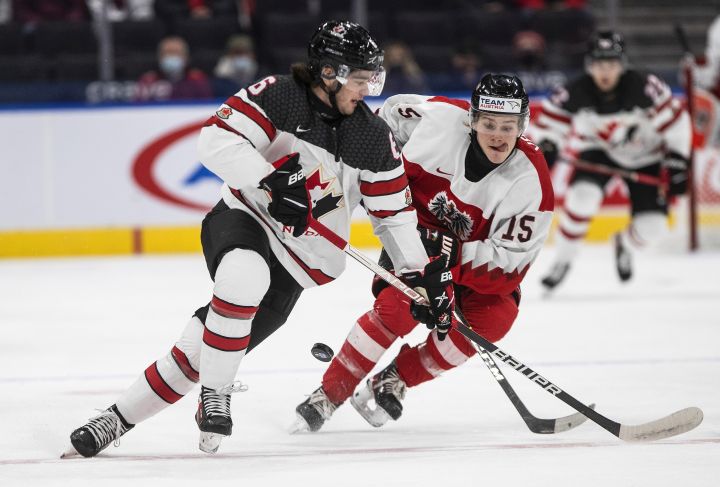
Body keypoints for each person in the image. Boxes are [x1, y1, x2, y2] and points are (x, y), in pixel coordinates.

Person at [63, 19, 454, 458]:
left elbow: (394, 216)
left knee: (195, 352)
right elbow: (216, 139)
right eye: (361, 79)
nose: (368, 90)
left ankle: (114, 420)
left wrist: (418, 278)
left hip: (301, 260)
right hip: (244, 217)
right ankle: (217, 392)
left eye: (371, 79)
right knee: (243, 278)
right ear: (329, 73)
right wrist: (269, 181)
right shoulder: (280, 94)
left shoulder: (372, 138)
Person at [293, 74, 554, 432]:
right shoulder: (435, 122)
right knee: (398, 310)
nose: (498, 135)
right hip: (412, 239)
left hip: (470, 263)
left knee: (494, 320)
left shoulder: (531, 180)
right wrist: (353, 197)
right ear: (472, 120)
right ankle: (330, 393)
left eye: (508, 126)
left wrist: (449, 260)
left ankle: (395, 377)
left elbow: (509, 265)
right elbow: (379, 126)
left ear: (521, 126)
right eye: (489, 123)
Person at [527, 31, 691, 291]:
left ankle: (624, 244)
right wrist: (548, 145)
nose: (605, 71)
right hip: (599, 151)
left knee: (654, 229)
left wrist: (678, 161)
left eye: (612, 64)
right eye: (599, 64)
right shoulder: (574, 91)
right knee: (581, 198)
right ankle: (562, 261)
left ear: (622, 64)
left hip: (647, 157)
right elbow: (548, 126)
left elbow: (677, 124)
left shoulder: (644, 87)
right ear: (589, 65)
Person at [136, 36, 213, 101]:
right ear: (159, 57)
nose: (171, 56)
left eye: (176, 52)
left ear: (186, 57)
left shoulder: (197, 79)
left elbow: (206, 104)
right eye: (167, 52)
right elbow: (138, 107)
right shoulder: (148, 80)